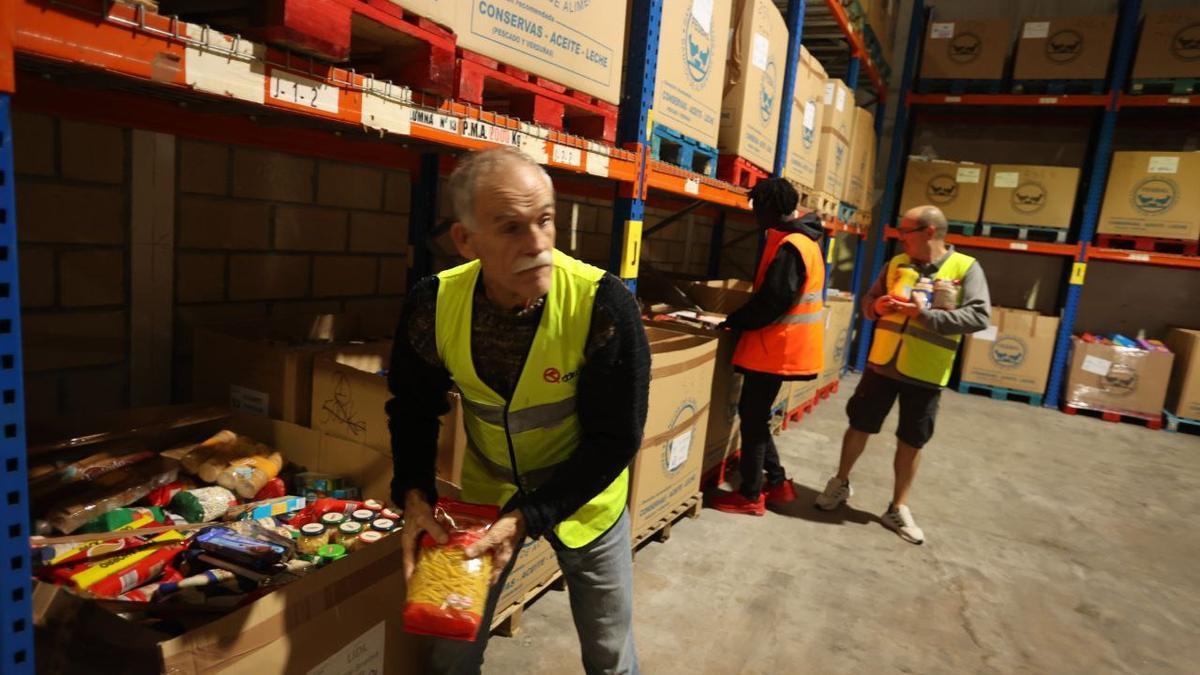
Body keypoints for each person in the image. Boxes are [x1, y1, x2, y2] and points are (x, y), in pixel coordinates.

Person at [386, 147, 649, 674]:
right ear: (466, 241)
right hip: (489, 494)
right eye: (510, 228)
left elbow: (616, 438)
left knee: (609, 651)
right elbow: (413, 408)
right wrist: (414, 494)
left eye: (545, 220)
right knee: (450, 649)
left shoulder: (602, 305)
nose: (537, 244)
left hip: (586, 497)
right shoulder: (433, 305)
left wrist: (531, 516)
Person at [814, 205, 991, 545]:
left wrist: (925, 316)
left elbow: (979, 317)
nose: (900, 238)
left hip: (926, 371)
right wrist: (876, 307)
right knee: (859, 424)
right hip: (882, 364)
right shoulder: (896, 263)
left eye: (905, 231)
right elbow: (869, 301)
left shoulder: (966, 268)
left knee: (912, 439)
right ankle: (840, 482)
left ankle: (898, 506)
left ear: (929, 232)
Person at [709, 178, 826, 516]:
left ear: (770, 209)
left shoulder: (792, 246)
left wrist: (734, 320)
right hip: (780, 347)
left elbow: (773, 301)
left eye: (757, 209)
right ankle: (776, 482)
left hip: (777, 348)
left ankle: (751, 494)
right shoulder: (804, 241)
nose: (755, 216)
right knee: (755, 416)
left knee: (752, 418)